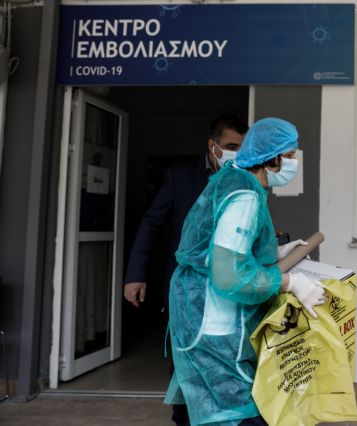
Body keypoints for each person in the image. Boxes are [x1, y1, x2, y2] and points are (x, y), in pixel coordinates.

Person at [164, 117, 326, 426]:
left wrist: (275, 252)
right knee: (236, 413)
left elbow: (217, 246)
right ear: (273, 158)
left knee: (206, 410)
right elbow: (230, 276)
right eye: (290, 156)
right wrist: (290, 282)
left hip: (197, 309)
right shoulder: (245, 197)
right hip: (215, 322)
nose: (293, 163)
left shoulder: (231, 179)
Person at [123, 115, 248, 426]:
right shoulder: (181, 176)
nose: (237, 154)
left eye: (242, 148)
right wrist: (136, 274)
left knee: (223, 358)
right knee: (184, 359)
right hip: (185, 289)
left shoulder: (243, 178)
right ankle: (183, 418)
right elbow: (153, 223)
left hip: (226, 288)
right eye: (231, 146)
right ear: (212, 146)